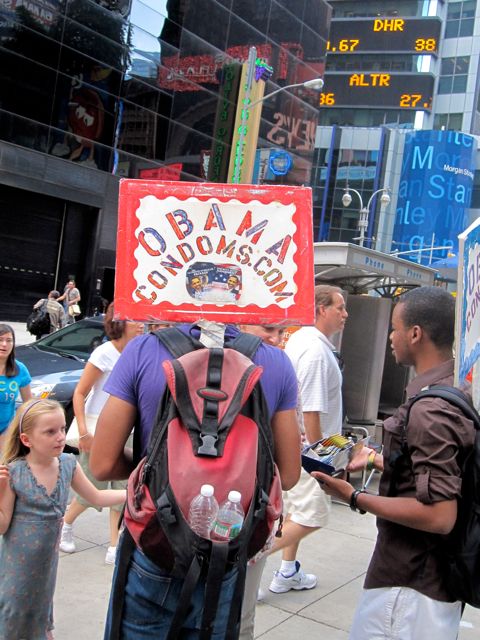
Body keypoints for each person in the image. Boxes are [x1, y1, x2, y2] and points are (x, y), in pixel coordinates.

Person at [90, 323, 301, 638]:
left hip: (155, 539)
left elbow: (102, 465)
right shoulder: (276, 362)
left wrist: (155, 468)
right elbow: (289, 475)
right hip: (227, 546)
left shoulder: (143, 350)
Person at [313, 286, 475, 640]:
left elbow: (440, 515)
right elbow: (435, 473)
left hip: (410, 587)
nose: (391, 337)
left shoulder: (431, 410)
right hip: (423, 583)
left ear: (415, 334)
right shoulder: (453, 387)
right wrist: (378, 459)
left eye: (395, 328)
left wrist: (353, 497)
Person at [0, 399, 126, 640]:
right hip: (15, 569)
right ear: (26, 440)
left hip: (45, 567)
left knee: (40, 610)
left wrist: (135, 494)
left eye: (62, 428)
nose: (60, 437)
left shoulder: (68, 464)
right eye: (50, 432)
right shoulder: (14, 473)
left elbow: (97, 496)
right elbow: (3, 525)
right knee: (13, 618)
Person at [267, 285, 348, 594]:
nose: (345, 314)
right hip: (307, 452)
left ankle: (287, 571)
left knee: (294, 513)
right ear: (321, 309)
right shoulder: (315, 351)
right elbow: (312, 411)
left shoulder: (302, 339)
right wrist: (323, 461)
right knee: (313, 516)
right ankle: (246, 563)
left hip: (295, 446)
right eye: (339, 307)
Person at [59, 304, 144, 564]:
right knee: (91, 487)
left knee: (123, 490)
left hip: (129, 428)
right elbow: (80, 392)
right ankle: (65, 523)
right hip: (98, 427)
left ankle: (114, 544)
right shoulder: (105, 353)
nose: (141, 324)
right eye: (134, 319)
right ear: (120, 322)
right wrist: (83, 432)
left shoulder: (139, 353)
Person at [0, 324, 32, 450]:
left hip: (6, 432)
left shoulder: (20, 369)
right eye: (0, 340)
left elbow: (28, 404)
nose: (4, 344)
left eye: (9, 340)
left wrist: (13, 429)